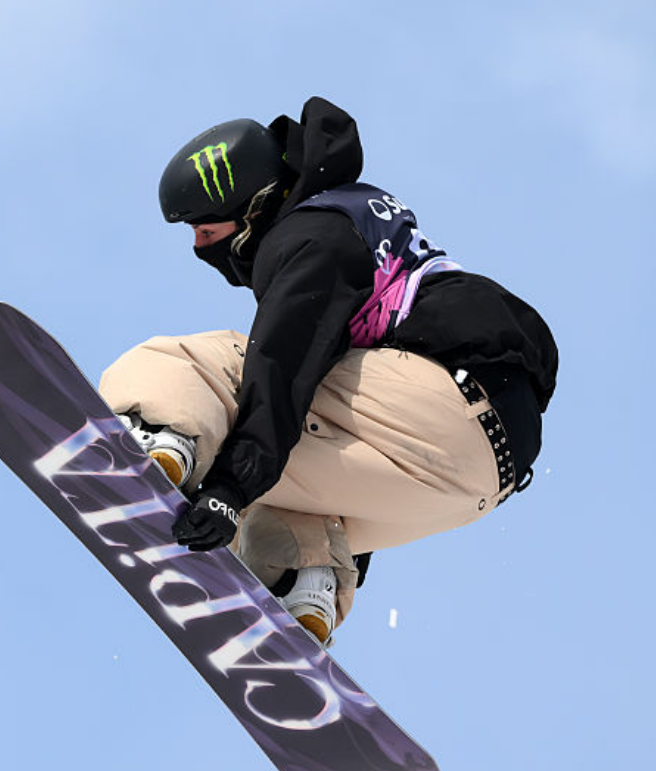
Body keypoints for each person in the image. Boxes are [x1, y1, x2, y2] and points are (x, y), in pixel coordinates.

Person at [99, 96, 557, 648]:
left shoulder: (309, 235)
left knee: (205, 366)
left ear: (252, 205)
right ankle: (303, 583)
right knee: (282, 494)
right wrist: (242, 493)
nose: (199, 246)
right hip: (475, 475)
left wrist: (224, 490)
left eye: (205, 229)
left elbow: (283, 367)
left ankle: (156, 439)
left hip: (444, 400)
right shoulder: (344, 217)